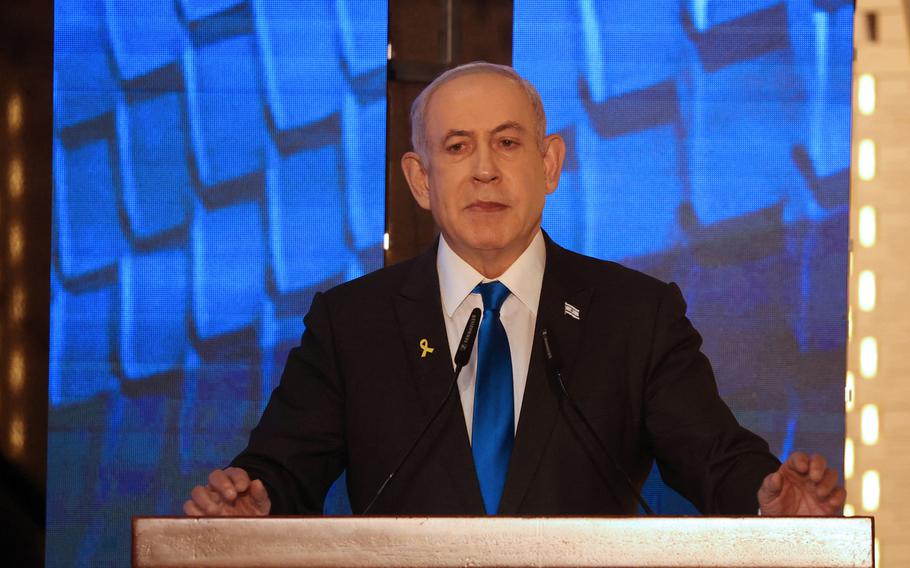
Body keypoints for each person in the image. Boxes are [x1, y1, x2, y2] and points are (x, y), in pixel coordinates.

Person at [184, 62, 846, 518]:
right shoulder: (351, 324)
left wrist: (767, 493)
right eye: (456, 147)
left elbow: (713, 456)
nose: (483, 171)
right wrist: (253, 495)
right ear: (419, 180)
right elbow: (282, 469)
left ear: (549, 163)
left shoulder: (633, 315)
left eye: (506, 142)